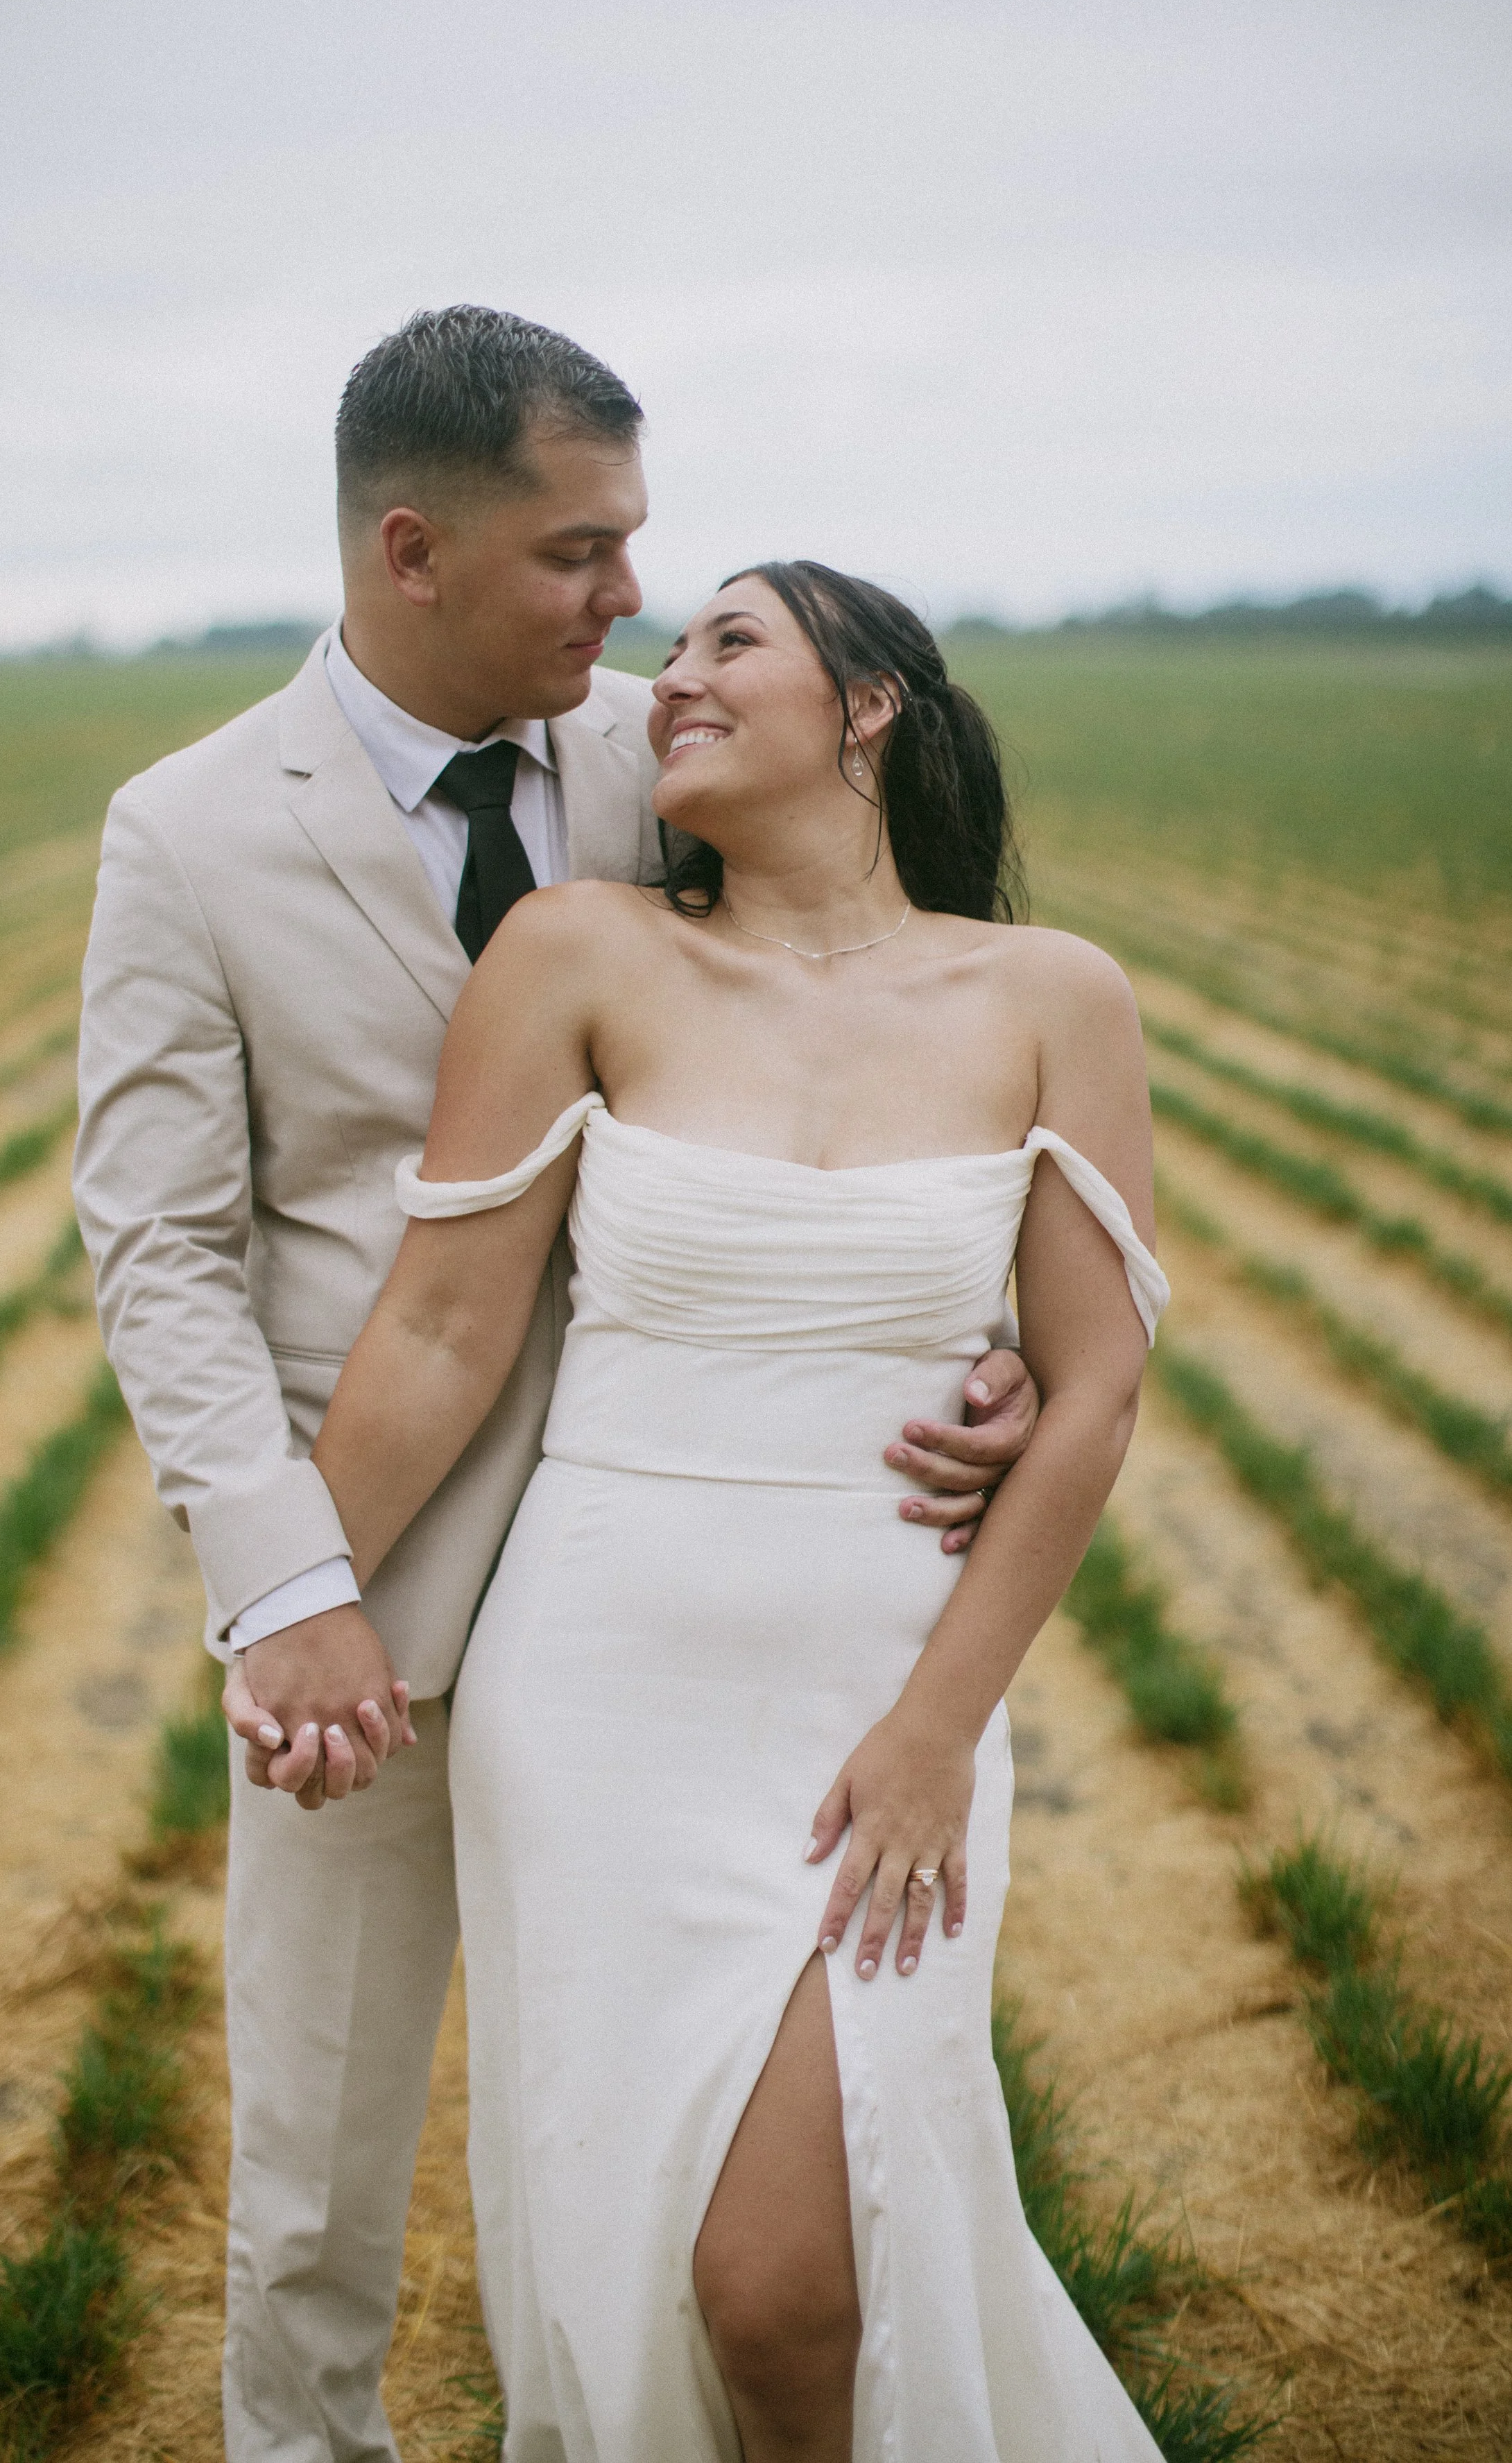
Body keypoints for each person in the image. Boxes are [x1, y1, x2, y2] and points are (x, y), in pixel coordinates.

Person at [74, 309, 1040, 2462]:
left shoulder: (674, 757)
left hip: (675, 1575)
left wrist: (960, 1350)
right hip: (373, 1578)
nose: (628, 609)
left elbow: (871, 1069)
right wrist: (284, 1583)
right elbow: (163, 1250)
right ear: (411, 549)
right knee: (321, 2169)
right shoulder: (189, 832)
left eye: (639, 558)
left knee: (638, 2156)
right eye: (575, 558)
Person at [225, 556, 1171, 2462]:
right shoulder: (578, 951)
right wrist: (284, 1594)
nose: (670, 676)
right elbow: (436, 1329)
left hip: (884, 1681)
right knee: (644, 2239)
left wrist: (933, 1730)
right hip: (595, 1684)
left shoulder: (1052, 993)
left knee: (790, 2278)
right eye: (670, 653)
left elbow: (1091, 1390)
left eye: (730, 639)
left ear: (871, 698)